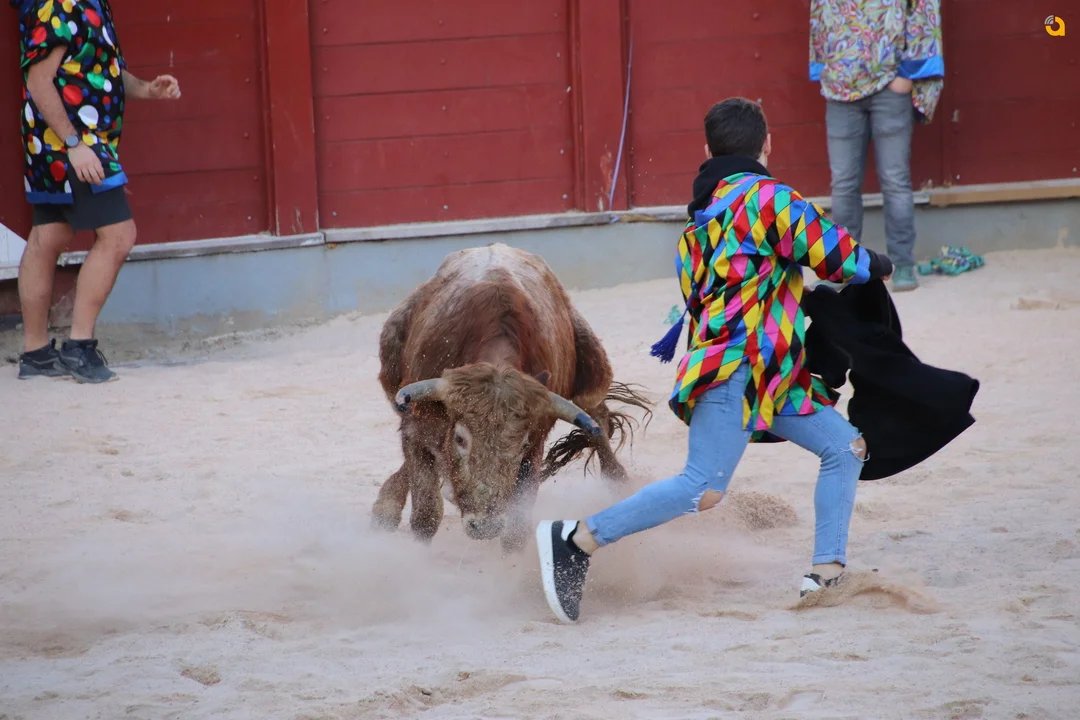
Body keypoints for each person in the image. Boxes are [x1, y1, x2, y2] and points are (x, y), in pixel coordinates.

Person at [534, 98, 895, 624]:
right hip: (739, 370)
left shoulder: (699, 222)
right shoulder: (771, 198)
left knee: (845, 447)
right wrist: (879, 265)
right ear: (767, 144)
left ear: (707, 150)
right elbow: (840, 258)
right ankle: (575, 539)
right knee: (702, 487)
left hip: (768, 374)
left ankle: (827, 572)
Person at [12, 0, 181, 383]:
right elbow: (38, 81)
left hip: (62, 143)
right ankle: (79, 348)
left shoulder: (93, 3)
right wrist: (74, 145)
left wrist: (147, 89)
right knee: (119, 235)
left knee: (49, 235)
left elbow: (104, 70)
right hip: (71, 144)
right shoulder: (56, 3)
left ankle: (37, 355)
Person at [809, 0, 945, 293]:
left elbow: (923, 9)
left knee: (895, 179)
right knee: (843, 183)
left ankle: (903, 264)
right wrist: (827, 67)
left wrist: (908, 73)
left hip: (890, 84)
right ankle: (843, 268)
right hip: (840, 86)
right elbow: (821, 12)